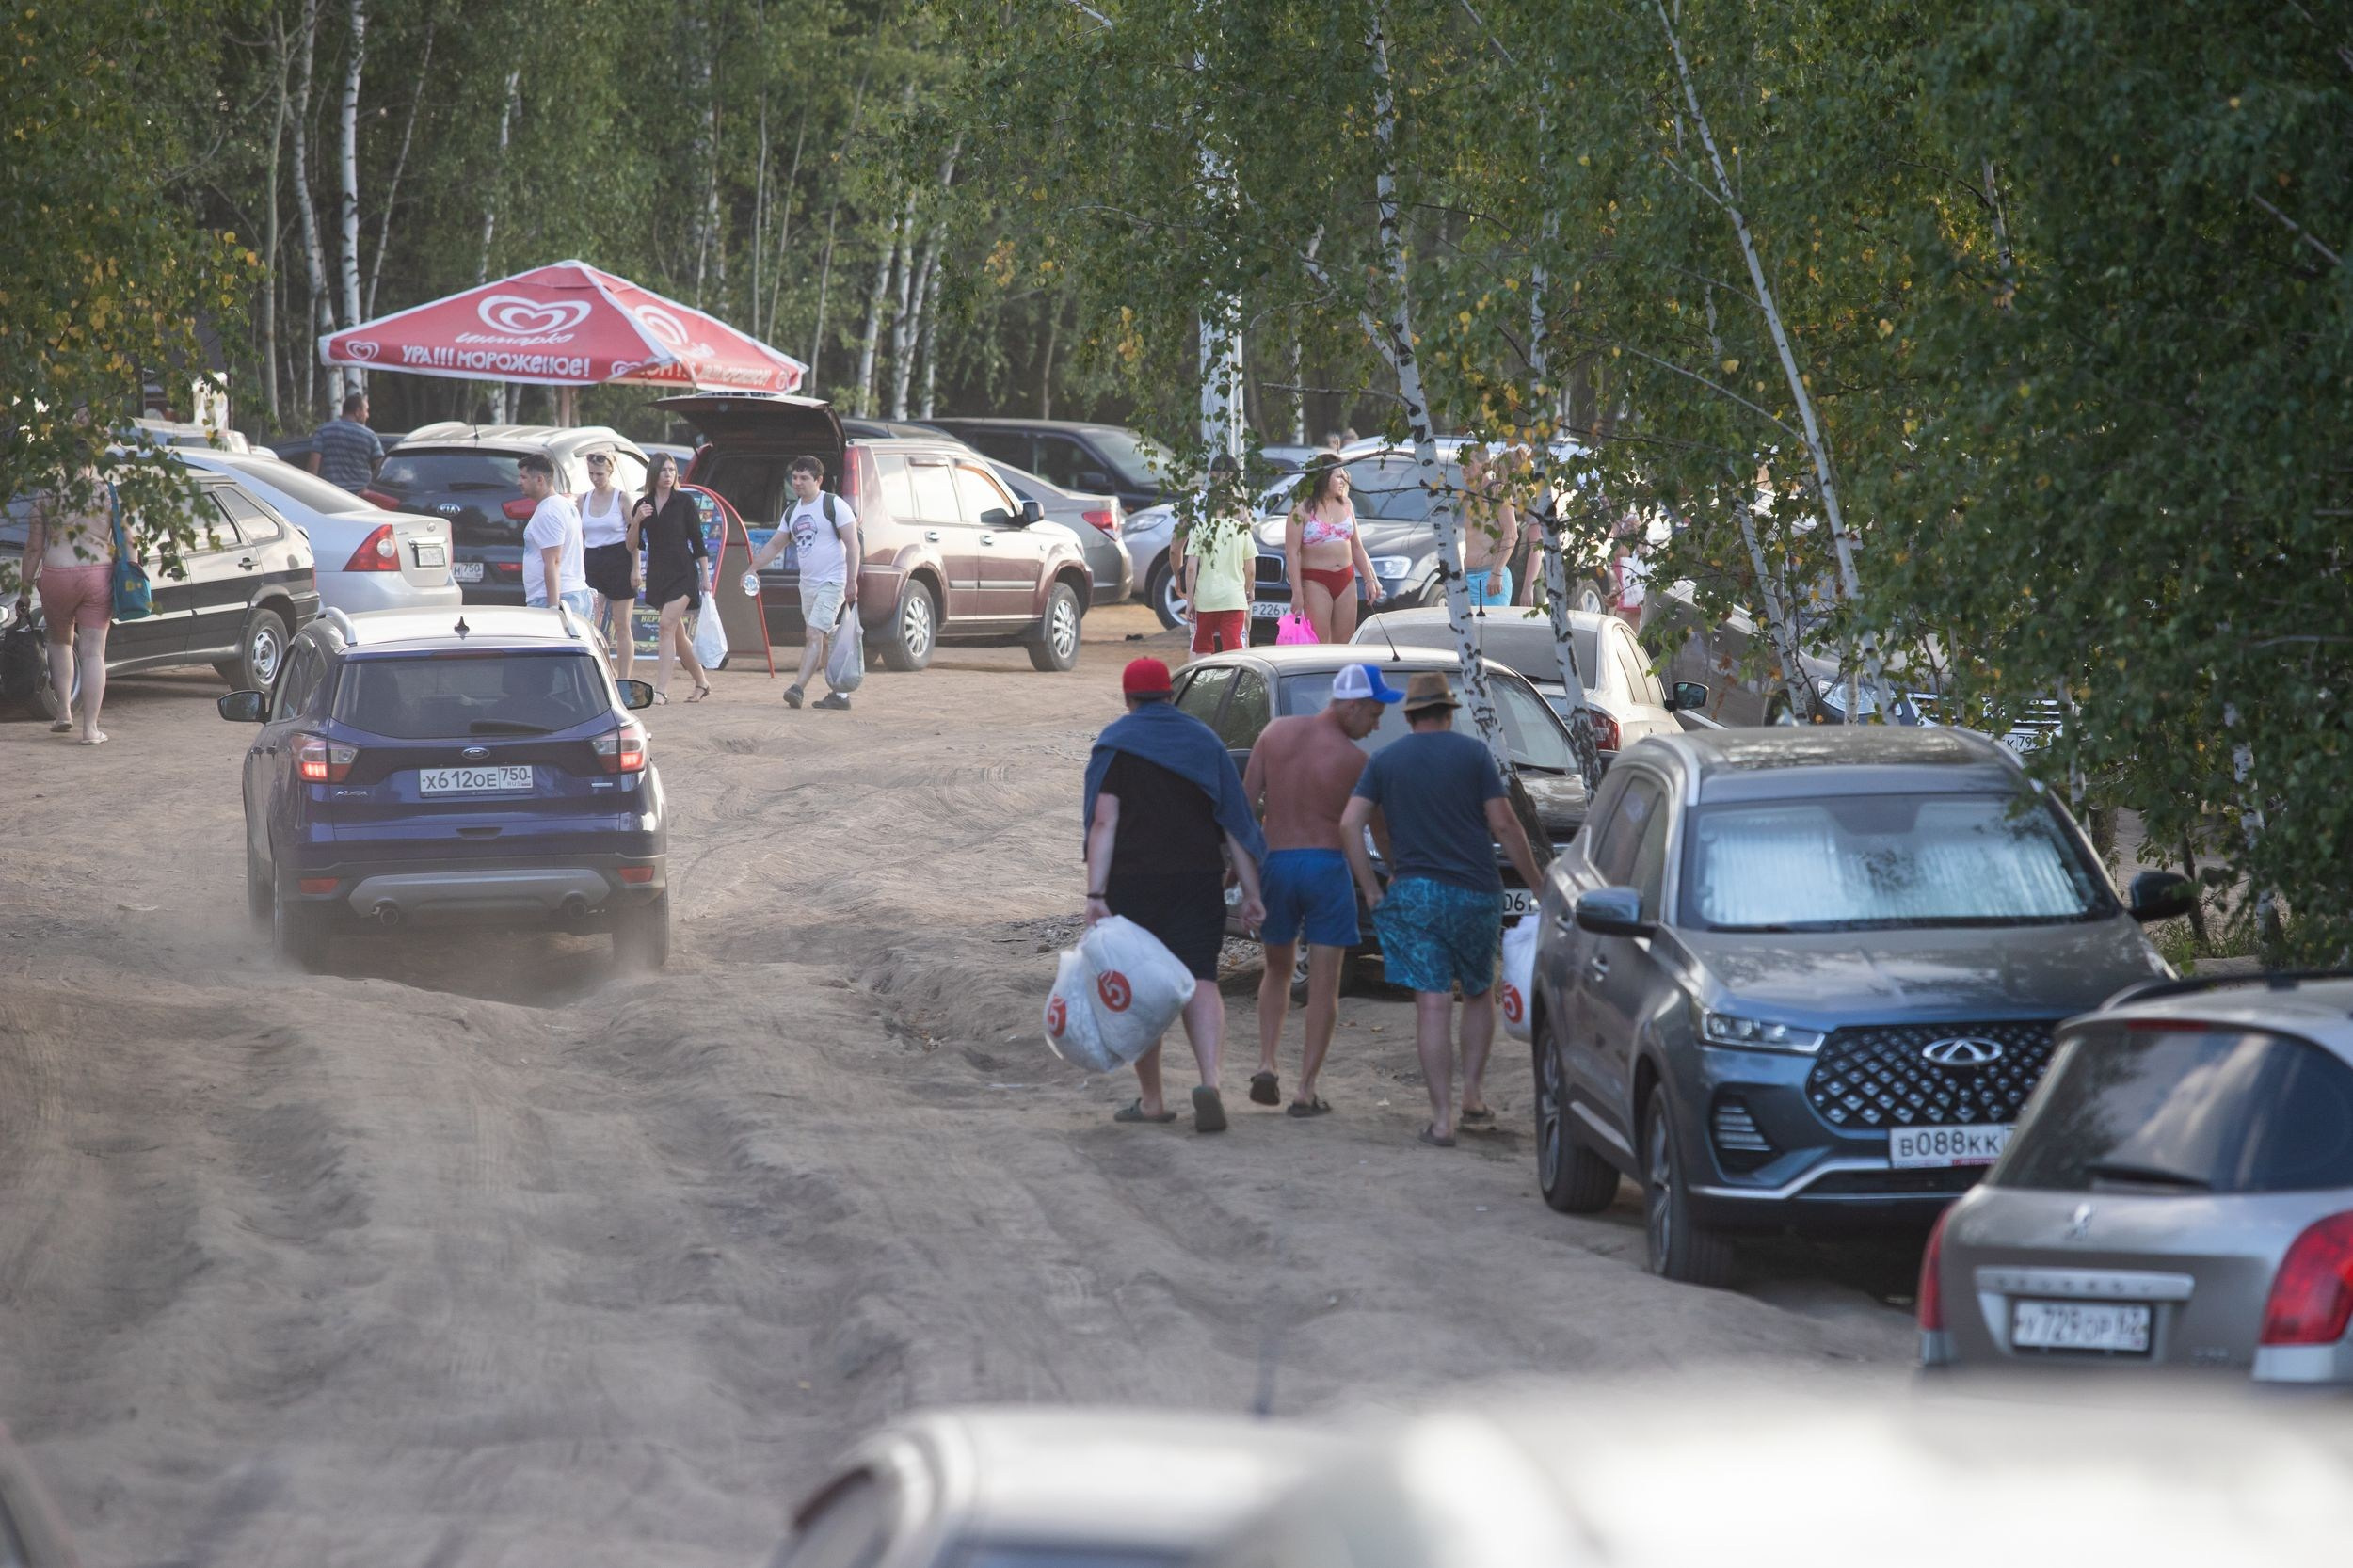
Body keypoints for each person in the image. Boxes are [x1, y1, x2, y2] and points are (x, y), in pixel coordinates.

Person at [1339, 672, 1544, 1147]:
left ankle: (1443, 1119)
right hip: (1476, 892)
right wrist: (1538, 885)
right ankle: (1473, 1095)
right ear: (1450, 713)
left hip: (1417, 895)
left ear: (1409, 716)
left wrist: (1372, 888)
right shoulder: (1474, 755)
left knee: (1431, 1003)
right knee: (1476, 992)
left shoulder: (1384, 762)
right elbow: (1506, 825)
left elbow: (1352, 826)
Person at [1082, 657, 1268, 1133]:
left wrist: (1096, 893)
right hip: (1197, 879)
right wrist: (1251, 894)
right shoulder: (1204, 742)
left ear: (1128, 700)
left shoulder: (1116, 744)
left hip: (1133, 883)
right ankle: (1210, 1081)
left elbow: (1105, 821)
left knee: (1144, 988)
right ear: (1169, 695)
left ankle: (1152, 1100)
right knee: (1201, 978)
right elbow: (1235, 821)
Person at [1242, 662, 1401, 1116]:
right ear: (1350, 705)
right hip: (1327, 868)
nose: (1374, 726)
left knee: (1276, 971)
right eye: (1373, 714)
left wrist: (1240, 865)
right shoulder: (1356, 762)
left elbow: (1244, 804)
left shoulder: (1274, 734)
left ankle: (1267, 1063)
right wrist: (1395, 873)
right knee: (1324, 985)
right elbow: (1381, 832)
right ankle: (1305, 1091)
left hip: (1277, 864)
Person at [19, 462, 127, 744]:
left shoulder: (46, 493)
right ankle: (90, 729)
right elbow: (129, 539)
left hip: (57, 574)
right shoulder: (109, 492)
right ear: (92, 461)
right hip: (97, 574)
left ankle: (63, 712)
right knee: (93, 653)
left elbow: (33, 546)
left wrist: (24, 590)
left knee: (60, 642)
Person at [747, 455, 859, 711]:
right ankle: (840, 695)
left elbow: (853, 544)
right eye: (794, 477)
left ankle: (797, 689)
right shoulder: (793, 511)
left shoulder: (834, 505)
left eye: (804, 478)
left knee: (813, 634)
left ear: (818, 480)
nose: (797, 482)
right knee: (825, 636)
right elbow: (777, 543)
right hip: (807, 584)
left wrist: (851, 580)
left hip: (833, 581)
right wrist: (753, 567)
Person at [629, 454, 712, 703]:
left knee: (666, 625)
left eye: (672, 470)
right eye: (664, 470)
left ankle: (661, 690)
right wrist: (637, 521)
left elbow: (697, 541)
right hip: (657, 574)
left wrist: (705, 576)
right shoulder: (643, 504)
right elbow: (632, 544)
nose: (669, 474)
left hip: (683, 572)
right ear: (654, 474)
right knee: (677, 634)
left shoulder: (684, 502)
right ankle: (702, 682)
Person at [1285, 455, 1379, 644]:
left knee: (1344, 643)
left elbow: (1357, 545)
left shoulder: (1346, 504)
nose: (1343, 481)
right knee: (1320, 642)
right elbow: (1292, 553)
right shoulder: (1301, 509)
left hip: (1346, 578)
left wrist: (1370, 579)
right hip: (1315, 580)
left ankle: (1341, 674)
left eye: (1345, 476)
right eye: (1338, 476)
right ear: (1323, 477)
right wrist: (1297, 593)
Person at [576, 450, 640, 680]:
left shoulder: (622, 498)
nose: (596, 478)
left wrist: (635, 567)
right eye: (592, 474)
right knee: (591, 623)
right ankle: (608, 672)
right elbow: (579, 537)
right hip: (592, 559)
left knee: (622, 624)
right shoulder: (583, 499)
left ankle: (625, 679)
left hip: (619, 558)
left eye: (600, 474)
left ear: (610, 471)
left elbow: (634, 536)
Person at [1180, 454, 1252, 660]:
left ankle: (1197, 682)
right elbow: (1249, 562)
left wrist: (1181, 580)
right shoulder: (1239, 505)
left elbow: (1177, 547)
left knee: (1199, 641)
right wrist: (1248, 590)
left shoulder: (1194, 503)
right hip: (1234, 588)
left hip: (1203, 590)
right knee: (1237, 642)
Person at [518, 453, 592, 624]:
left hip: (557, 599)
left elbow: (553, 561)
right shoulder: (561, 504)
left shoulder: (549, 511)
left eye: (524, 477)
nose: (519, 482)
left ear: (540, 480)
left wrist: (553, 608)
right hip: (570, 595)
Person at [1459, 445, 1521, 609]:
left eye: (1468, 462)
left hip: (1490, 578)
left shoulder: (1497, 491)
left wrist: (1496, 572)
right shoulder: (1469, 497)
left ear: (1484, 465)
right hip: (1469, 577)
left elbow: (1511, 534)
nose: (1463, 468)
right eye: (1461, 462)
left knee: (1491, 634)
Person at [307, 392, 384, 494]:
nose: (367, 415)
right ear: (357, 412)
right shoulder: (370, 436)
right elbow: (382, 468)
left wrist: (310, 493)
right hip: (361, 497)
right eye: (366, 411)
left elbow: (313, 466)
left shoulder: (323, 431)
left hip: (331, 494)